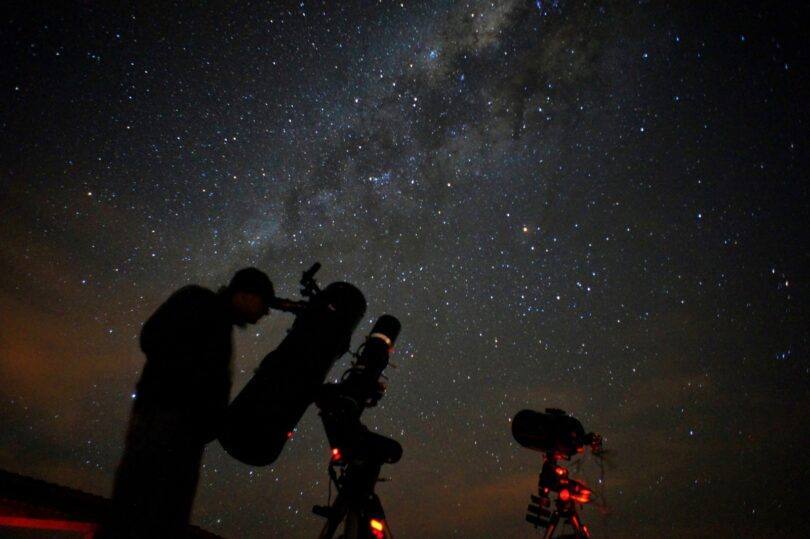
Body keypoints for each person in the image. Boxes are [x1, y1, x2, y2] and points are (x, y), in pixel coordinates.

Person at [102, 268, 274, 537]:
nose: (265, 313)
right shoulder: (199, 302)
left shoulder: (218, 321)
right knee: (140, 508)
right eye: (264, 304)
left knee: (163, 515)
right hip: (165, 421)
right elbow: (153, 337)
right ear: (246, 295)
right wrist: (191, 394)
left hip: (184, 433)